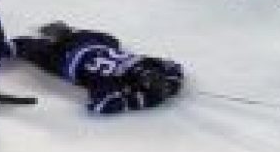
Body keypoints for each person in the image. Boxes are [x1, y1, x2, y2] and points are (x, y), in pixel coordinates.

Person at [11, 22, 183, 115]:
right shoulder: (117, 83)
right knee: (32, 50)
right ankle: (6, 47)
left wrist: (170, 85)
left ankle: (70, 35)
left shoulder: (146, 62)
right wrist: (145, 100)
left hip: (88, 45)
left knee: (112, 41)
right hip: (69, 58)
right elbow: (99, 106)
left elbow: (174, 67)